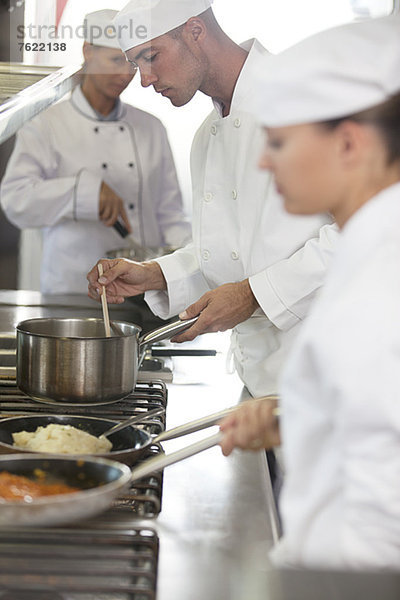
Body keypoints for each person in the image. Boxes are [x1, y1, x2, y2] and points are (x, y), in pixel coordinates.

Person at [219, 14, 400, 570]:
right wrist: (289, 417)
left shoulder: (385, 273)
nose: (264, 160)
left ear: (347, 143)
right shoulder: (367, 241)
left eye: (278, 141)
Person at [87, 0, 338, 399]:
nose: (145, 80)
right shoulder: (207, 136)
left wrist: (252, 295)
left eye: (151, 56)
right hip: (261, 386)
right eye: (136, 65)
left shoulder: (310, 102)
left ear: (195, 31)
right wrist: (155, 274)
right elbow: (231, 253)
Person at [0, 9, 191, 296]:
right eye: (115, 60)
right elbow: (16, 201)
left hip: (143, 291)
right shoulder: (46, 124)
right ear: (88, 51)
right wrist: (86, 193)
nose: (124, 74)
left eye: (132, 64)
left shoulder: (151, 127)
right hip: (72, 290)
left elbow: (171, 214)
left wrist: (189, 269)